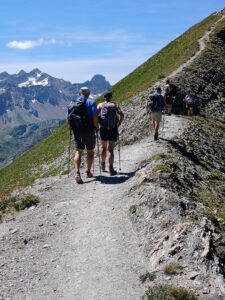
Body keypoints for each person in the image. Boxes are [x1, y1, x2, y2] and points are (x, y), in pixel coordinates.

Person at [68, 87, 99, 184]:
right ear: (88, 93)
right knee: (90, 151)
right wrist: (96, 127)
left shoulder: (72, 104)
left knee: (78, 151)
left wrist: (72, 129)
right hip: (89, 130)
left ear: (79, 93)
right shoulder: (91, 102)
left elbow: (68, 119)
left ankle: (77, 173)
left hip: (77, 131)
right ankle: (88, 172)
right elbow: (95, 116)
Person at [97, 92, 124, 176]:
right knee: (111, 149)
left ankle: (103, 163)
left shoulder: (100, 105)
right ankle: (111, 168)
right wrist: (118, 124)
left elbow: (96, 116)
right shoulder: (115, 105)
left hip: (103, 129)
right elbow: (122, 115)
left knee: (103, 148)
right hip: (113, 128)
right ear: (111, 97)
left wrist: (98, 126)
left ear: (104, 97)